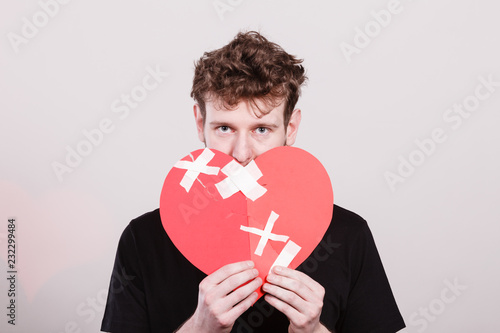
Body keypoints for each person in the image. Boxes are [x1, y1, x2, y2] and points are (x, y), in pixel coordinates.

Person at [101, 31, 406, 333]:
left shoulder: (348, 234)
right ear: (199, 124)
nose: (242, 153)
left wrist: (314, 332)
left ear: (291, 128)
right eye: (224, 128)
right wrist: (199, 329)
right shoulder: (143, 239)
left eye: (261, 130)